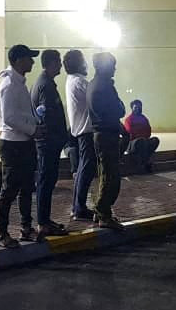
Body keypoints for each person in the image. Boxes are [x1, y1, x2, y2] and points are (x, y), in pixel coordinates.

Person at [0, 44, 44, 248]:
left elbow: (21, 114)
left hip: (23, 143)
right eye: (28, 58)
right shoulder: (9, 85)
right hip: (12, 144)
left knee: (26, 188)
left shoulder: (19, 83)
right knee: (9, 190)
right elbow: (9, 117)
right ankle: (1, 232)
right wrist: (33, 130)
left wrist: (35, 123)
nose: (32, 62)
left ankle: (26, 228)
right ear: (17, 60)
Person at [31, 49, 71, 238]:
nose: (61, 66)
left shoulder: (44, 83)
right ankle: (43, 222)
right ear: (50, 63)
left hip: (49, 141)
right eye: (58, 62)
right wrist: (56, 136)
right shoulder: (45, 85)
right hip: (48, 142)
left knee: (47, 181)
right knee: (46, 181)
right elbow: (47, 115)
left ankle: (45, 220)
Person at [88, 51, 127, 230]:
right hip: (106, 135)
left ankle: (102, 212)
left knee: (106, 175)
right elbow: (118, 109)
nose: (115, 68)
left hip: (104, 133)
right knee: (111, 177)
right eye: (112, 65)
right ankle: (103, 212)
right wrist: (118, 107)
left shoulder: (95, 84)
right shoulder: (103, 87)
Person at [65, 49, 97, 222]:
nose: (86, 64)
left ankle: (77, 206)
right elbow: (97, 101)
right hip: (86, 132)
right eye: (84, 60)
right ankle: (79, 207)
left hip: (80, 131)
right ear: (78, 63)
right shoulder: (80, 82)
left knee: (83, 169)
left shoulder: (72, 81)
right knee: (86, 169)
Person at [123, 100, 160, 173]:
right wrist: (142, 137)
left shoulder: (144, 118)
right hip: (132, 144)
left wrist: (144, 138)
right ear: (132, 108)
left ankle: (144, 161)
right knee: (140, 141)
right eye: (135, 107)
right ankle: (144, 164)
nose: (138, 109)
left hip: (143, 141)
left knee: (155, 140)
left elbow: (148, 131)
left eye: (139, 107)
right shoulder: (129, 120)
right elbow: (130, 134)